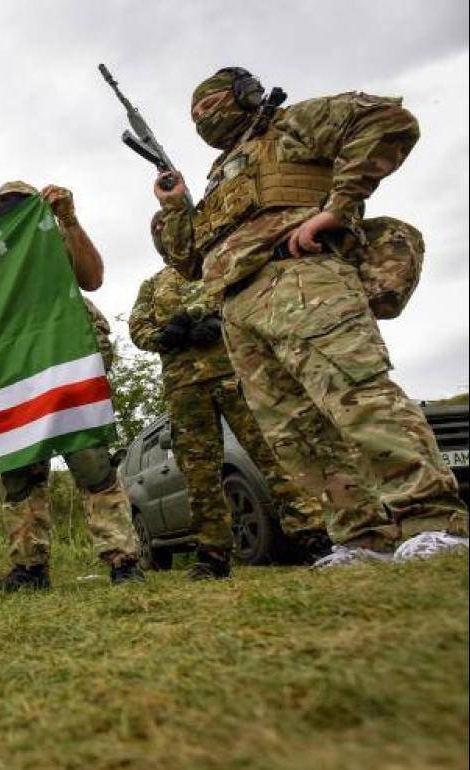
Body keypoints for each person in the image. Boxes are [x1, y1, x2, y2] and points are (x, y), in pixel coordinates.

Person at [155, 67, 467, 565]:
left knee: (357, 396)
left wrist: (340, 206)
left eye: (209, 106)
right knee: (295, 432)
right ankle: (362, 537)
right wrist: (175, 208)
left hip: (299, 280)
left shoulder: (289, 125)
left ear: (244, 96)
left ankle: (433, 521)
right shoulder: (219, 178)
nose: (202, 120)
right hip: (237, 308)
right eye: (194, 116)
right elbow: (189, 262)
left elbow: (387, 120)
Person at [130, 214, 330, 579]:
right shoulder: (153, 284)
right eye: (156, 230)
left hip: (236, 372)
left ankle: (312, 534)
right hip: (185, 388)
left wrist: (220, 322)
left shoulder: (218, 263)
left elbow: (249, 300)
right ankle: (213, 553)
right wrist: (167, 336)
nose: (163, 233)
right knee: (199, 471)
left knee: (271, 453)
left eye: (167, 226)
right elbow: (138, 328)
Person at [0, 182, 143, 591]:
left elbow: (93, 278)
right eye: (0, 208)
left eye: (18, 205)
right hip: (17, 375)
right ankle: (29, 569)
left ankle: (122, 560)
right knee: (19, 474)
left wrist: (68, 219)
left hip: (65, 364)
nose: (8, 212)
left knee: (91, 461)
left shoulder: (57, 244)